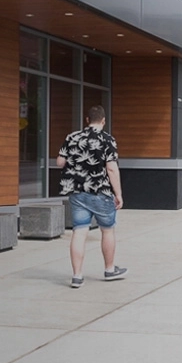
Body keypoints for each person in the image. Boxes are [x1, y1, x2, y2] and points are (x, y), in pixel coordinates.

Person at [57, 105, 127, 289]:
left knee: (79, 232)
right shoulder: (107, 139)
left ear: (87, 120)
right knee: (107, 230)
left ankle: (77, 276)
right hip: (100, 193)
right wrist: (118, 194)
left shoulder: (72, 137)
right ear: (103, 121)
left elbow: (60, 162)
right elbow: (111, 168)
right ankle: (109, 269)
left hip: (77, 193)